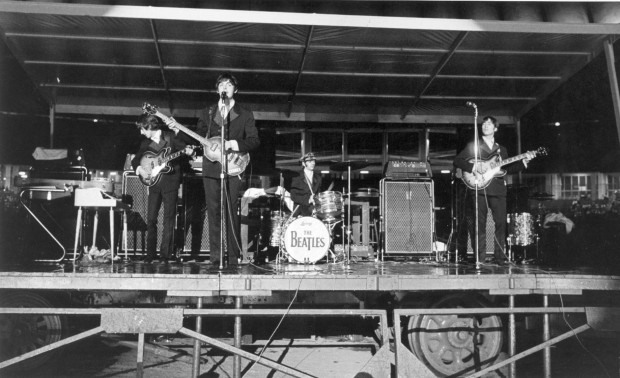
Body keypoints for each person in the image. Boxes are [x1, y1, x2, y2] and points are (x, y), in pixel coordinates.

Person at [174, 73, 260, 267]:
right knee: (213, 211)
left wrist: (233, 143)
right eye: (221, 84)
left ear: (235, 90)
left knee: (230, 211)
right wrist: (178, 130)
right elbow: (197, 137)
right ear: (217, 89)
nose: (225, 87)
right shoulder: (208, 112)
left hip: (234, 165)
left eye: (229, 84)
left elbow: (254, 141)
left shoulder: (245, 113)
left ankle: (233, 258)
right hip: (211, 167)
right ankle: (216, 258)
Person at [453, 116, 534, 265]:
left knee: (501, 223)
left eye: (489, 124)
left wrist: (524, 162)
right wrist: (474, 167)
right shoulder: (474, 146)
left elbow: (507, 169)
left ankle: (499, 258)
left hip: (497, 189)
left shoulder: (501, 150)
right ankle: (480, 259)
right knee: (480, 225)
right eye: (484, 123)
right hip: (478, 188)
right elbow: (457, 161)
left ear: (495, 129)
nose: (485, 126)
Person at [131, 114, 192, 263]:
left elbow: (187, 145)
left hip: (170, 182)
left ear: (150, 127)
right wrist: (140, 169)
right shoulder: (145, 144)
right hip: (153, 184)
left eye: (142, 129)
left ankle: (165, 255)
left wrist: (189, 150)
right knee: (151, 219)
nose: (141, 132)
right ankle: (150, 255)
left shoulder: (171, 137)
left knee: (168, 219)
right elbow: (135, 160)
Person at [290, 152, 322, 217]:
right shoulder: (297, 177)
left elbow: (318, 193)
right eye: (310, 161)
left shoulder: (318, 178)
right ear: (303, 163)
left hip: (313, 211)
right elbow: (293, 196)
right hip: (300, 212)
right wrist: (308, 200)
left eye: (313, 161)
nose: (313, 163)